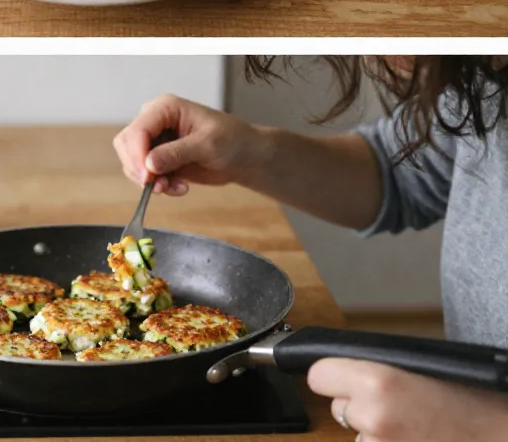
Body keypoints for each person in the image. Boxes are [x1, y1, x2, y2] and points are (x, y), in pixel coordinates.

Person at [113, 57, 508, 442]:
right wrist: (250, 152)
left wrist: (485, 428)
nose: (376, 60)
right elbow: (404, 174)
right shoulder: (485, 70)